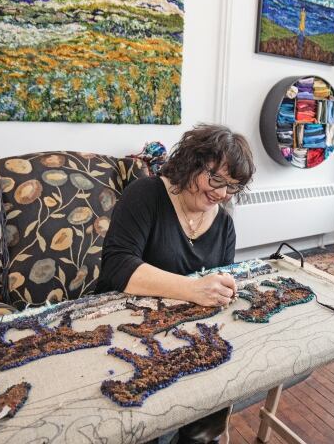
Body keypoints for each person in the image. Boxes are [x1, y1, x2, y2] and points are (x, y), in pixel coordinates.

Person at [97, 123, 255, 444]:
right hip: (124, 324)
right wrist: (193, 289)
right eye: (215, 179)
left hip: (179, 333)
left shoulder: (223, 223)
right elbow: (118, 267)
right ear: (190, 164)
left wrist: (224, 287)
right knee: (137, 417)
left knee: (210, 411)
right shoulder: (147, 195)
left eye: (232, 186)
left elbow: (220, 283)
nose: (222, 194)